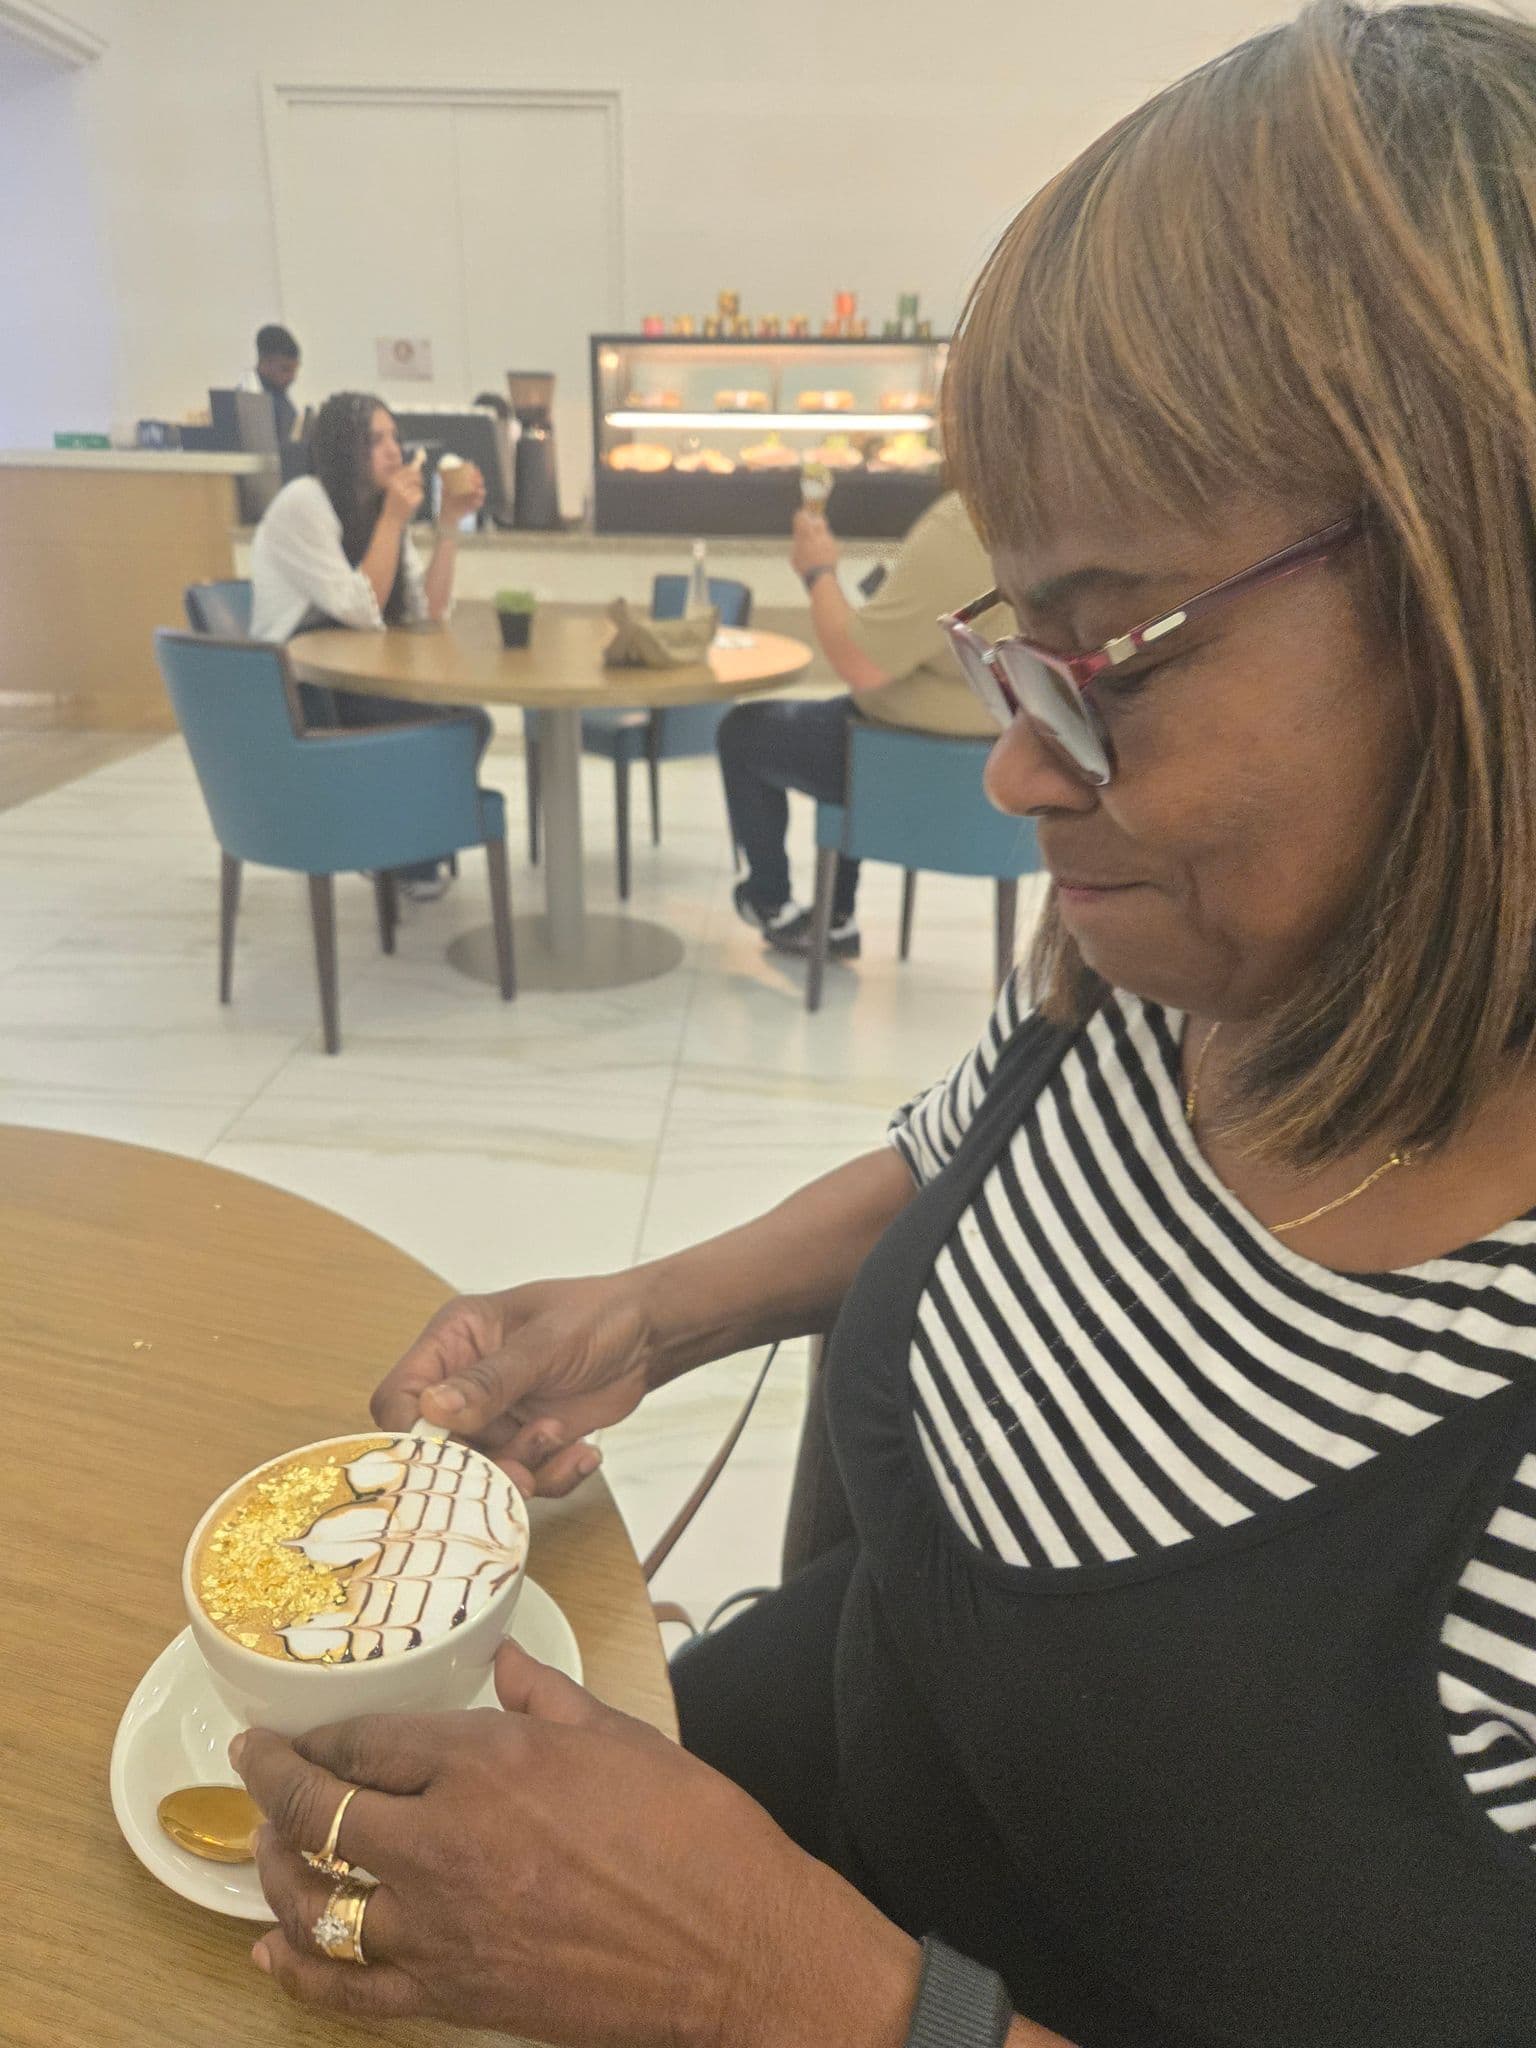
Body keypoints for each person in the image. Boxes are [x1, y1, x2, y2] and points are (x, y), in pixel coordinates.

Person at [227, 6, 1536, 2044]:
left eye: (1108, 650)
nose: (1021, 774)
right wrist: (653, 1309)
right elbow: (967, 1150)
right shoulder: (1196, 980)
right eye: (1013, 654)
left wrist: (779, 1979)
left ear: (1492, 594)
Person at [718, 490, 1006, 961]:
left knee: (745, 732)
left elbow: (859, 663)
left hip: (904, 760)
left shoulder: (966, 523)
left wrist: (818, 571)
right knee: (832, 725)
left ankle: (770, 900)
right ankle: (835, 915)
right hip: (1004, 760)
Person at [250, 390, 489, 898]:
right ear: (342, 448)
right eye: (374, 440)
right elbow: (362, 609)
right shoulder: (304, 502)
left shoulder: (378, 511)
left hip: (351, 678)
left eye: (395, 438)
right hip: (299, 694)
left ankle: (401, 854)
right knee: (454, 727)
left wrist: (448, 526)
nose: (393, 451)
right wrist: (394, 520)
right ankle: (397, 853)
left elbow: (427, 611)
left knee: (468, 719)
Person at [239, 324, 303, 445]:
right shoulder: (249, 397)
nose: (292, 377)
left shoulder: (280, 396)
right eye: (285, 369)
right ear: (265, 362)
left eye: (295, 370)